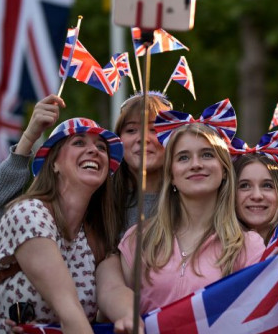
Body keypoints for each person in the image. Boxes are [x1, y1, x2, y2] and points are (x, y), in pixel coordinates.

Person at [0, 118, 146, 334]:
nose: (94, 150)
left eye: (101, 147)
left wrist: (131, 317)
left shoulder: (98, 236)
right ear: (54, 163)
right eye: (78, 142)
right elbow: (70, 313)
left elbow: (113, 290)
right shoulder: (30, 214)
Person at [112, 101, 266, 314]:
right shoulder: (136, 240)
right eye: (183, 157)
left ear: (224, 171)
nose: (196, 164)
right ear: (172, 175)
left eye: (207, 155)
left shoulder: (250, 246)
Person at [0, 91, 172, 233]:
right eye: (131, 130)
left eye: (154, 130)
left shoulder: (189, 196)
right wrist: (29, 137)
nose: (143, 138)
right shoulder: (97, 201)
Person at [231, 132, 278, 249]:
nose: (257, 196)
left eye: (267, 186)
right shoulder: (212, 251)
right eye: (245, 186)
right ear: (231, 194)